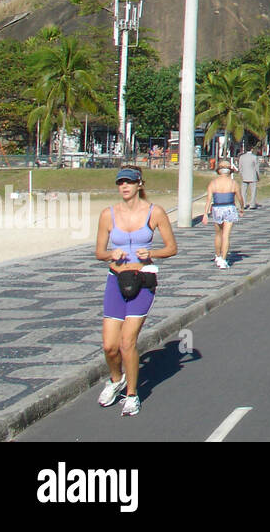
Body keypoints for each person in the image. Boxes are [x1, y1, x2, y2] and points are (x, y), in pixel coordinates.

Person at [95, 166, 177, 416]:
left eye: (129, 182)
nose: (124, 187)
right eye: (121, 182)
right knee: (110, 346)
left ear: (140, 184)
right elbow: (99, 252)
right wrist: (111, 253)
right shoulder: (108, 215)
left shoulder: (155, 212)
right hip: (116, 280)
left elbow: (171, 248)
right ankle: (116, 379)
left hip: (143, 281)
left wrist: (150, 252)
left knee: (126, 342)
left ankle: (132, 395)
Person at [206, 160, 244, 268]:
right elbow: (240, 198)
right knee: (226, 235)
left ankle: (218, 255)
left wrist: (205, 213)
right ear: (229, 172)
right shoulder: (233, 183)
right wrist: (242, 208)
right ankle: (223, 259)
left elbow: (208, 199)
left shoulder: (213, 183)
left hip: (217, 207)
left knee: (218, 234)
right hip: (230, 207)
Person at [237, 144, 261, 210]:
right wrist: (258, 176)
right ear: (252, 149)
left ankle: (243, 204)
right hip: (252, 176)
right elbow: (256, 168)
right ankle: (252, 204)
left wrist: (241, 174)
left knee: (243, 191)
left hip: (244, 176)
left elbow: (240, 167)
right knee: (253, 191)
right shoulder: (254, 157)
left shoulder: (242, 157)